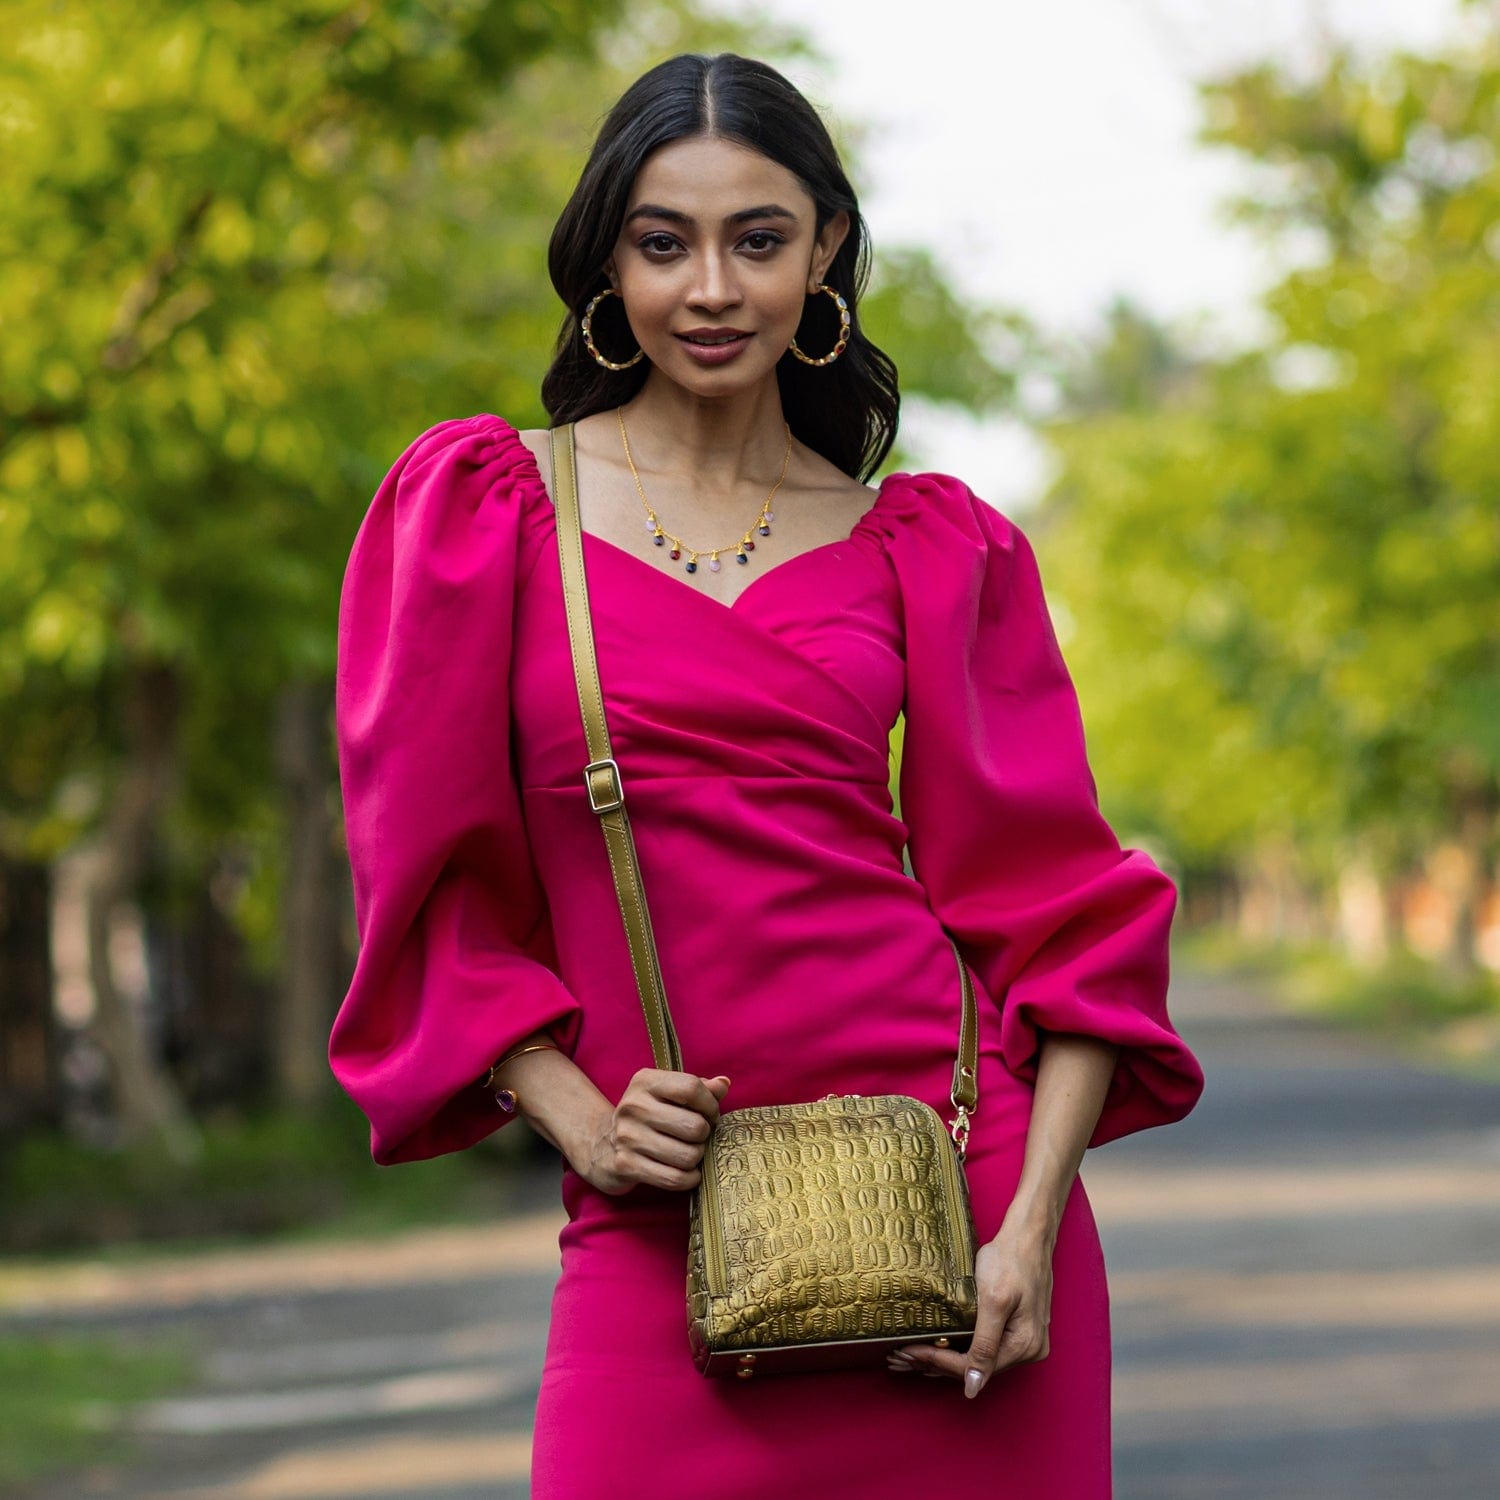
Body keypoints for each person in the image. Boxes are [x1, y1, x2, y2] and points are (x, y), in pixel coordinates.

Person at [329, 50, 1204, 1500]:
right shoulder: (485, 513)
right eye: (665, 243)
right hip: (658, 1219)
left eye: (760, 239)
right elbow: (424, 880)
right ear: (608, 257)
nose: (713, 288)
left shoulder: (933, 543)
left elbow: (1057, 910)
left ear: (827, 253)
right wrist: (577, 1112)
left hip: (954, 1208)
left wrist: (1032, 1227)